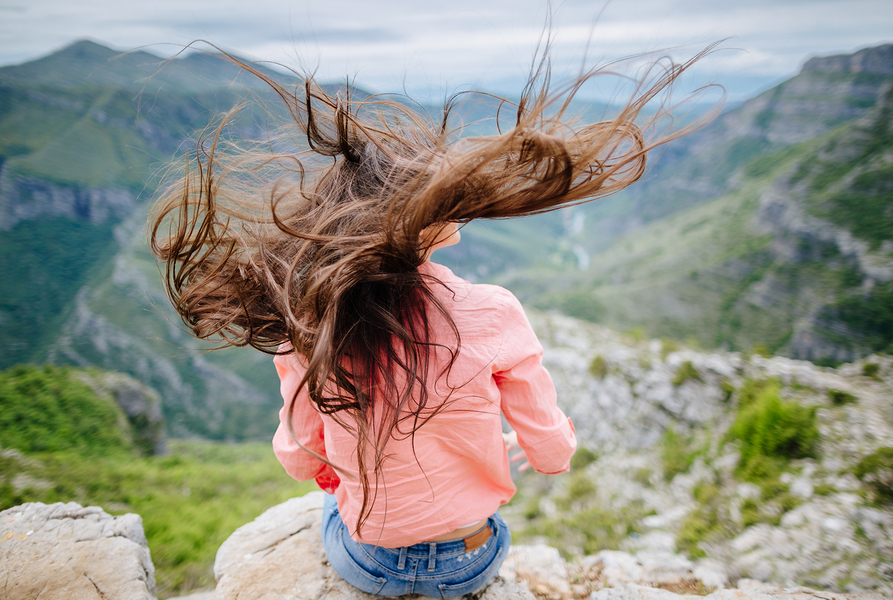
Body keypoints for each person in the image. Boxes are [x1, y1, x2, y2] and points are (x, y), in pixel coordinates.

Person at [149, 42, 716, 597]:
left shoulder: (308, 323)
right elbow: (554, 454)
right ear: (421, 224)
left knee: (328, 500)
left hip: (372, 563)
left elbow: (300, 459)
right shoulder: (494, 311)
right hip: (473, 559)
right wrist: (512, 440)